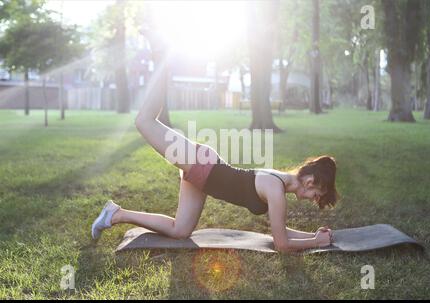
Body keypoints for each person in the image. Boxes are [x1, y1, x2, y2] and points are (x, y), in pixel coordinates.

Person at [91, 58, 338, 253]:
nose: (311, 199)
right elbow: (282, 244)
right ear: (309, 182)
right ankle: (165, 63)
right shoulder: (276, 190)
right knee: (144, 121)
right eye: (316, 195)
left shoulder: (280, 185)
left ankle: (116, 214)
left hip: (204, 176)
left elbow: (281, 230)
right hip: (202, 165)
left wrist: (313, 236)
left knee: (180, 230)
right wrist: (315, 243)